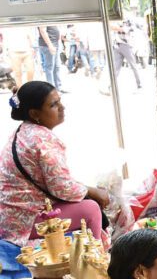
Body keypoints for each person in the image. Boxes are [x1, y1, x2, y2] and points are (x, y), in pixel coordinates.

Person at [0, 81, 108, 248]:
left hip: (10, 216)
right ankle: (93, 261)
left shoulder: (23, 130)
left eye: (59, 101)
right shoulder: (42, 139)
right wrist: (92, 191)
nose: (62, 107)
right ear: (35, 113)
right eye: (54, 104)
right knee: (92, 209)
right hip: (23, 223)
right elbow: (62, 188)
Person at [111, 22, 141, 89]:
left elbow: (124, 30)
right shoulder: (116, 22)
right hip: (116, 46)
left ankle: (139, 83)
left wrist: (115, 28)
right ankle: (112, 85)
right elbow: (112, 28)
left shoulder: (127, 22)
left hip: (126, 46)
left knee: (133, 66)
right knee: (116, 68)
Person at [37, 25, 64, 90]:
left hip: (54, 44)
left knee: (56, 67)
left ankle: (58, 88)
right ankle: (51, 89)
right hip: (48, 45)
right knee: (49, 67)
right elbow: (42, 30)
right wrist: (50, 45)